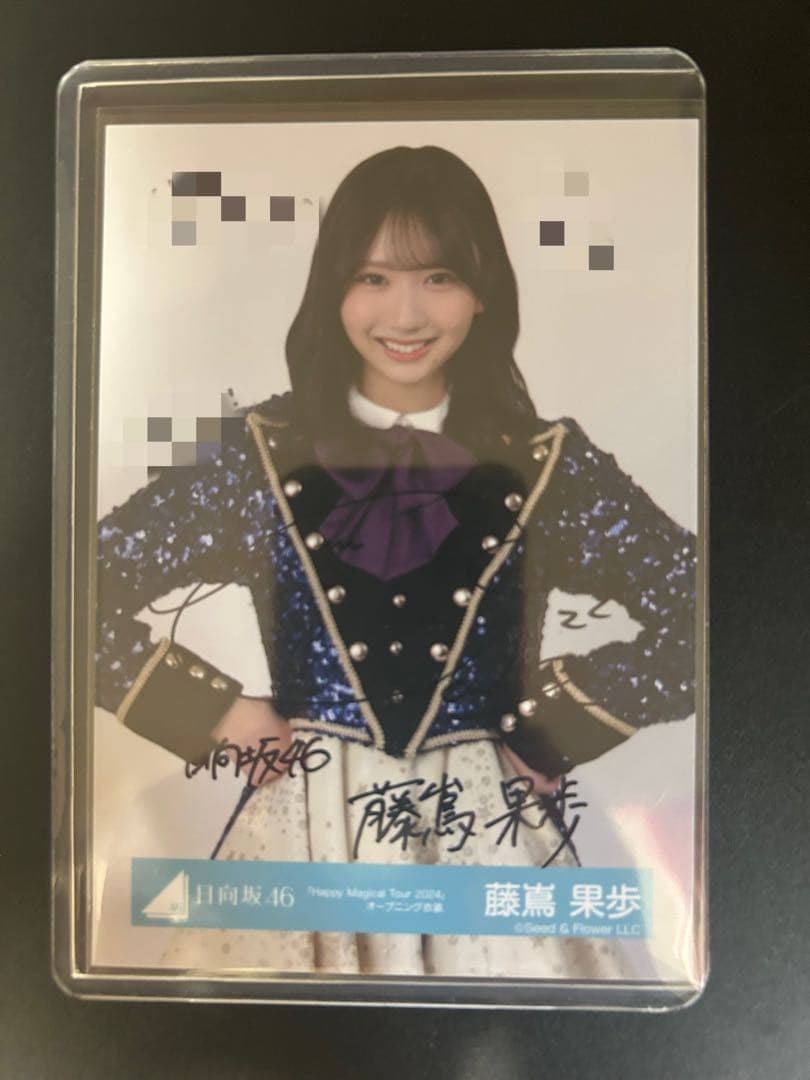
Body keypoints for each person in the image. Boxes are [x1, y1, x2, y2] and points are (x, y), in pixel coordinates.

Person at [96, 145, 696, 978]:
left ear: (484, 290)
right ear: (331, 289)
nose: (405, 314)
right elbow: (64, 596)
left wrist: (555, 726)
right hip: (304, 837)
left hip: (485, 837)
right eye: (372, 278)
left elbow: (717, 612)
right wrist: (215, 711)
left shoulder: (549, 463)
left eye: (439, 277)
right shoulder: (257, 454)